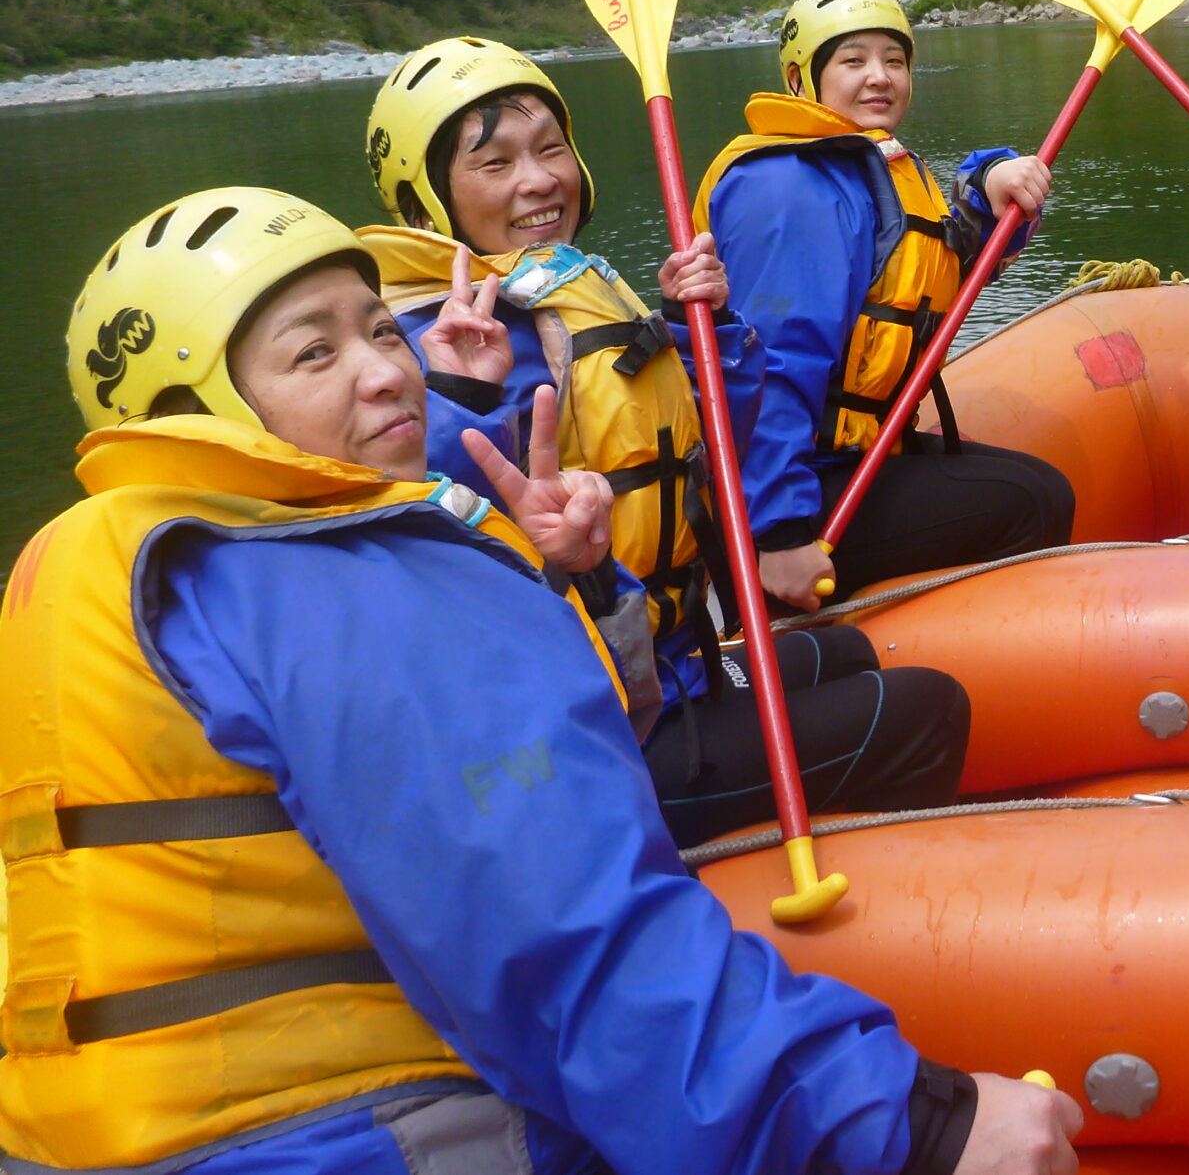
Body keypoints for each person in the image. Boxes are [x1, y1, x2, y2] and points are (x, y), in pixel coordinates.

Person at [0, 186, 1079, 1174]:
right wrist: (911, 1124)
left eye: (380, 329)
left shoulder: (106, 561)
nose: (385, 368)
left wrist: (576, 573)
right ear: (197, 404)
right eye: (312, 355)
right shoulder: (341, 583)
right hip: (352, 1131)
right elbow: (560, 945)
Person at [362, 38, 970, 846]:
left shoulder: (566, 283)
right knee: (924, 709)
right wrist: (462, 393)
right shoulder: (432, 348)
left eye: (550, 150)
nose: (539, 179)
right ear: (423, 202)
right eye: (496, 165)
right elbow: (428, 532)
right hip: (594, 736)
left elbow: (711, 446)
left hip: (669, 661)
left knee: (847, 655)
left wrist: (707, 331)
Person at [696, 0, 1076, 610]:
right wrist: (783, 533)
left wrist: (990, 178)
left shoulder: (865, 169)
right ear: (800, 81)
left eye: (894, 60)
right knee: (1035, 500)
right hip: (790, 501)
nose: (880, 77)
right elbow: (771, 366)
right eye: (853, 60)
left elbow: (949, 262)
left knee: (1034, 483)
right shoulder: (790, 189)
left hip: (851, 461)